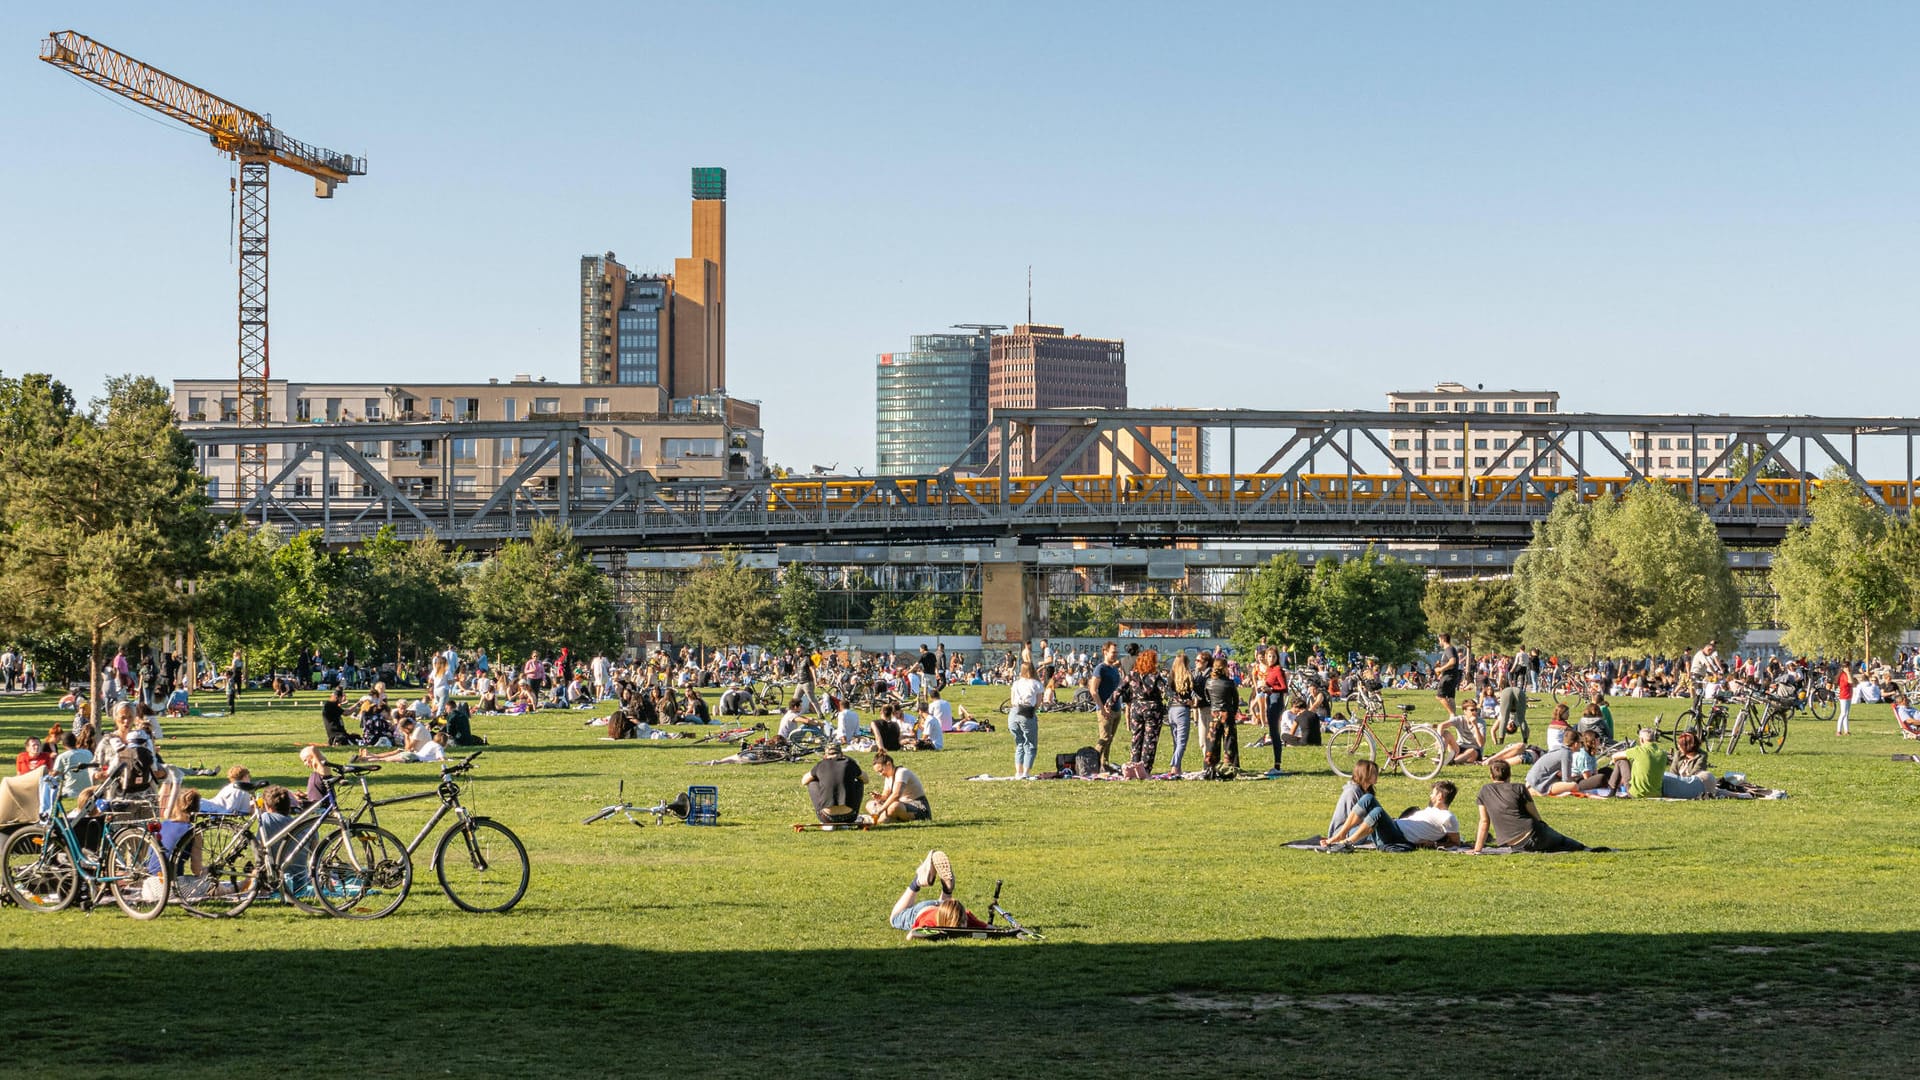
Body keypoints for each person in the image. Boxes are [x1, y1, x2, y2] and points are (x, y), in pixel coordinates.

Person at [1474, 759, 1589, 852]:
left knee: (1557, 844)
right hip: (1533, 834)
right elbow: (1535, 815)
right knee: (1564, 842)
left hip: (1513, 843)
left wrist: (1477, 849)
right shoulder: (1519, 788)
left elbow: (1484, 822)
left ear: (1491, 776)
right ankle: (1585, 848)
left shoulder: (1485, 790)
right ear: (1509, 775)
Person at [1318, 760, 1412, 851]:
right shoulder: (1352, 792)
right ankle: (1341, 837)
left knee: (1375, 808)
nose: (1377, 775)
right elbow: (1354, 821)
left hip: (1354, 830)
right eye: (1374, 773)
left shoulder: (1365, 791)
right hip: (1346, 831)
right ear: (1365, 774)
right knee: (1374, 816)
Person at [888, 850, 988, 932]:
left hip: (947, 907)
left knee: (947, 909)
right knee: (895, 919)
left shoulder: (964, 915)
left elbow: (990, 929)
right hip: (922, 912)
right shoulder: (930, 922)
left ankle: (946, 890)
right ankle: (918, 881)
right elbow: (912, 934)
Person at [1117, 649, 1168, 775]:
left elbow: (1119, 690)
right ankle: (1145, 769)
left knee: (1136, 737)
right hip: (1153, 709)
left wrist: (1109, 704)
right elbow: (1165, 691)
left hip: (1136, 708)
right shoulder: (1155, 676)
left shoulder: (1131, 675)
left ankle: (1133, 766)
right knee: (1150, 740)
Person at [801, 744, 865, 824]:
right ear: (841, 754)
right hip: (850, 817)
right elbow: (866, 779)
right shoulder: (850, 763)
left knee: (812, 783)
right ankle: (854, 812)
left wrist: (820, 778)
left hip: (826, 817)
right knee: (859, 782)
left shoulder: (821, 764)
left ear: (825, 756)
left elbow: (804, 781)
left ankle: (822, 812)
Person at [866, 750, 931, 823]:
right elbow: (885, 796)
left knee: (894, 806)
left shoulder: (901, 772)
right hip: (902, 805)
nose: (880, 774)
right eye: (878, 772)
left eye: (881, 770)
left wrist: (880, 810)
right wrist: (879, 797)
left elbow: (896, 795)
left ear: (889, 764)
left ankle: (879, 820)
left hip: (918, 806)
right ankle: (888, 819)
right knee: (870, 804)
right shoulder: (888, 777)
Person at [1202, 657, 1241, 776]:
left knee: (1212, 742)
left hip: (1214, 714)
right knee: (1229, 742)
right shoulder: (1229, 683)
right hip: (1227, 713)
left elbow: (1207, 697)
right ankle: (1230, 767)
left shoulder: (1208, 682)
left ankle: (1210, 767)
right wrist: (1233, 711)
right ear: (1224, 668)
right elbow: (1236, 699)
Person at [1088, 642, 1125, 766]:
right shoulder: (1100, 668)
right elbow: (1093, 690)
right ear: (1105, 652)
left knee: (1110, 739)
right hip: (1105, 710)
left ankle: (1104, 763)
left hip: (1116, 709)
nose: (1115, 655)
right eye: (1113, 652)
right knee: (1104, 738)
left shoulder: (1114, 669)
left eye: (1116, 652)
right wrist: (1102, 709)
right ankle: (1092, 762)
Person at [1008, 662, 1044, 779]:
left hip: (1013, 713)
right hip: (1027, 712)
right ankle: (1026, 772)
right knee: (1030, 744)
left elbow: (1012, 701)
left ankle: (1018, 771)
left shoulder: (1016, 683)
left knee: (1020, 743)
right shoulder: (1036, 684)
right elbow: (1038, 703)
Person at [1609, 728, 1669, 799]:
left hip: (1637, 794)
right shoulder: (1663, 754)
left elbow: (1615, 756)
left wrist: (1613, 761)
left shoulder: (1638, 751)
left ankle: (1611, 791)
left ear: (1642, 740)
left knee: (1621, 761)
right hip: (1656, 793)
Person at [1165, 652, 1196, 776]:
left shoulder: (1170, 676)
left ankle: (1177, 768)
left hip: (1172, 709)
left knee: (1176, 741)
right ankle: (1174, 765)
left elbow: (1167, 692)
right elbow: (1194, 693)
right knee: (1182, 741)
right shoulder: (1188, 676)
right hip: (1183, 710)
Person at [1432, 632, 1462, 726]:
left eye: (1439, 640)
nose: (1439, 642)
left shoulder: (1449, 649)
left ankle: (1452, 715)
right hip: (1451, 675)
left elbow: (1453, 661)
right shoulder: (1451, 649)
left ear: (1443, 640)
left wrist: (1440, 669)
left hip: (1449, 677)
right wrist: (1442, 672)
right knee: (1450, 698)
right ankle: (1454, 719)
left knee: (1440, 696)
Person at [1492, 674, 1528, 747]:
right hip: (1518, 692)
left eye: (1509, 727)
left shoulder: (1501, 719)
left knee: (1504, 719)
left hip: (1508, 692)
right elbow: (1526, 727)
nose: (1511, 725)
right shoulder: (1517, 722)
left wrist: (1495, 742)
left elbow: (1493, 730)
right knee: (1521, 719)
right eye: (1513, 727)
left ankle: (1501, 741)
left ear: (1506, 727)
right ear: (1516, 727)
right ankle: (1525, 740)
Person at [1834, 663, 1853, 736]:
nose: (1849, 668)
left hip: (1848, 695)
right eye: (1848, 667)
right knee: (1843, 713)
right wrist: (1848, 673)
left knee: (1846, 714)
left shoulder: (1846, 674)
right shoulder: (1844, 675)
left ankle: (1846, 730)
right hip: (1844, 696)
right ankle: (1838, 731)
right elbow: (1850, 681)